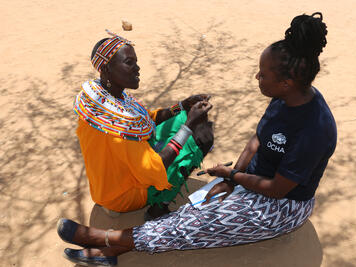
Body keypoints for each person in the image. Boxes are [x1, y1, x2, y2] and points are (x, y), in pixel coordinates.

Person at [57, 13, 337, 266]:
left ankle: (107, 240)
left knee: (194, 223)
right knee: (196, 209)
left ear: (286, 83)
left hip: (281, 207)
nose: (257, 77)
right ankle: (115, 246)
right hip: (248, 181)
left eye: (263, 75)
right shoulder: (286, 99)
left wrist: (232, 175)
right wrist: (229, 178)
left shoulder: (315, 127)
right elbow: (257, 139)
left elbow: (276, 189)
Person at [74, 29, 214, 220]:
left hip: (107, 186)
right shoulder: (120, 127)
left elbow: (146, 119)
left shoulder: (102, 102)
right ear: (106, 69)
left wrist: (182, 106)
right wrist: (189, 124)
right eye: (129, 63)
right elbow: (155, 167)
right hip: (123, 195)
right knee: (200, 134)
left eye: (136, 62)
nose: (137, 68)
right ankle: (159, 206)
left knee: (186, 119)